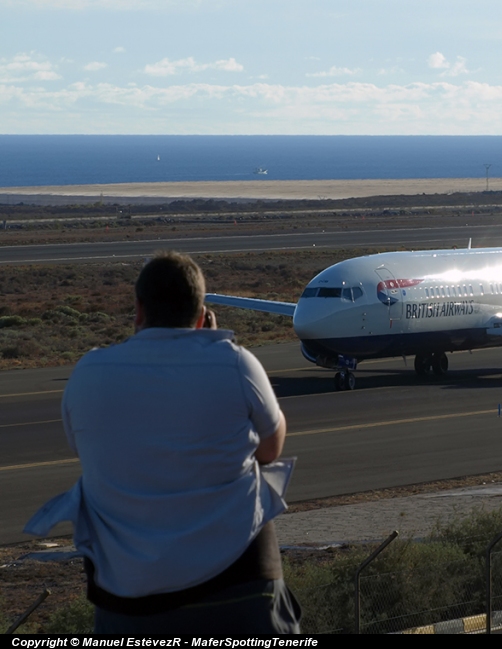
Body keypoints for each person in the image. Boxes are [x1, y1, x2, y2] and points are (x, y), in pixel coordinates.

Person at [26, 251, 300, 633]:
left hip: (125, 592)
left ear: (138, 309)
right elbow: (271, 449)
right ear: (203, 315)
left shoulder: (88, 372)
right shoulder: (236, 362)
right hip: (237, 581)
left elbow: (84, 449)